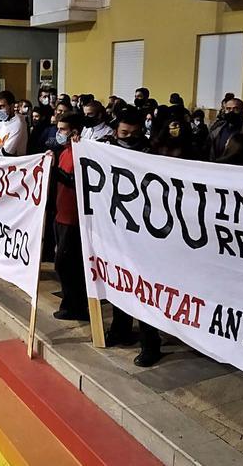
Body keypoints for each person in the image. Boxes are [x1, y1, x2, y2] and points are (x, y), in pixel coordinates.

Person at [101, 108, 163, 367]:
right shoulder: (105, 147)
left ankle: (151, 343)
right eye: (125, 133)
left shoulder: (150, 153)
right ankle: (120, 329)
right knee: (118, 279)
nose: (129, 138)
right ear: (116, 131)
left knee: (142, 287)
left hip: (142, 230)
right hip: (115, 226)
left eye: (135, 134)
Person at [51, 112, 89, 321]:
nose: (59, 133)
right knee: (64, 264)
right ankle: (69, 303)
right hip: (61, 212)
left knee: (67, 264)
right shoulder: (65, 151)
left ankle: (76, 306)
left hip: (72, 217)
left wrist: (58, 174)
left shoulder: (80, 152)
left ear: (74, 132)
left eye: (63, 129)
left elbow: (78, 181)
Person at [206, 98, 243, 166]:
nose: (231, 111)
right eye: (228, 109)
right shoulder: (217, 130)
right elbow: (211, 155)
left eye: (235, 109)